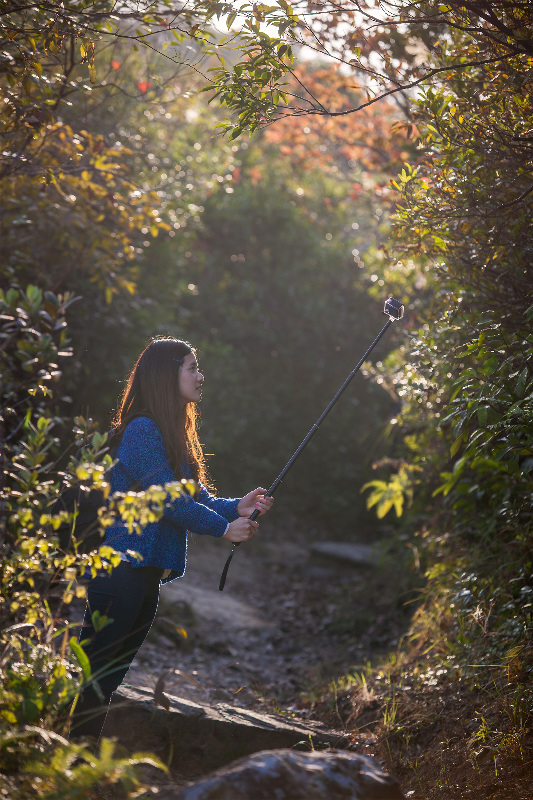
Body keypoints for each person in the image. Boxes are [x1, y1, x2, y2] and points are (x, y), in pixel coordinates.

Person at [71, 337, 273, 742]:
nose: (200, 376)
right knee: (95, 676)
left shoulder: (170, 433)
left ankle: (74, 757)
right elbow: (168, 500)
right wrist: (222, 528)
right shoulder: (142, 430)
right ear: (168, 375)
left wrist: (238, 507)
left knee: (107, 678)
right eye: (191, 367)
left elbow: (197, 499)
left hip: (143, 576)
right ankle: (61, 757)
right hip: (119, 571)